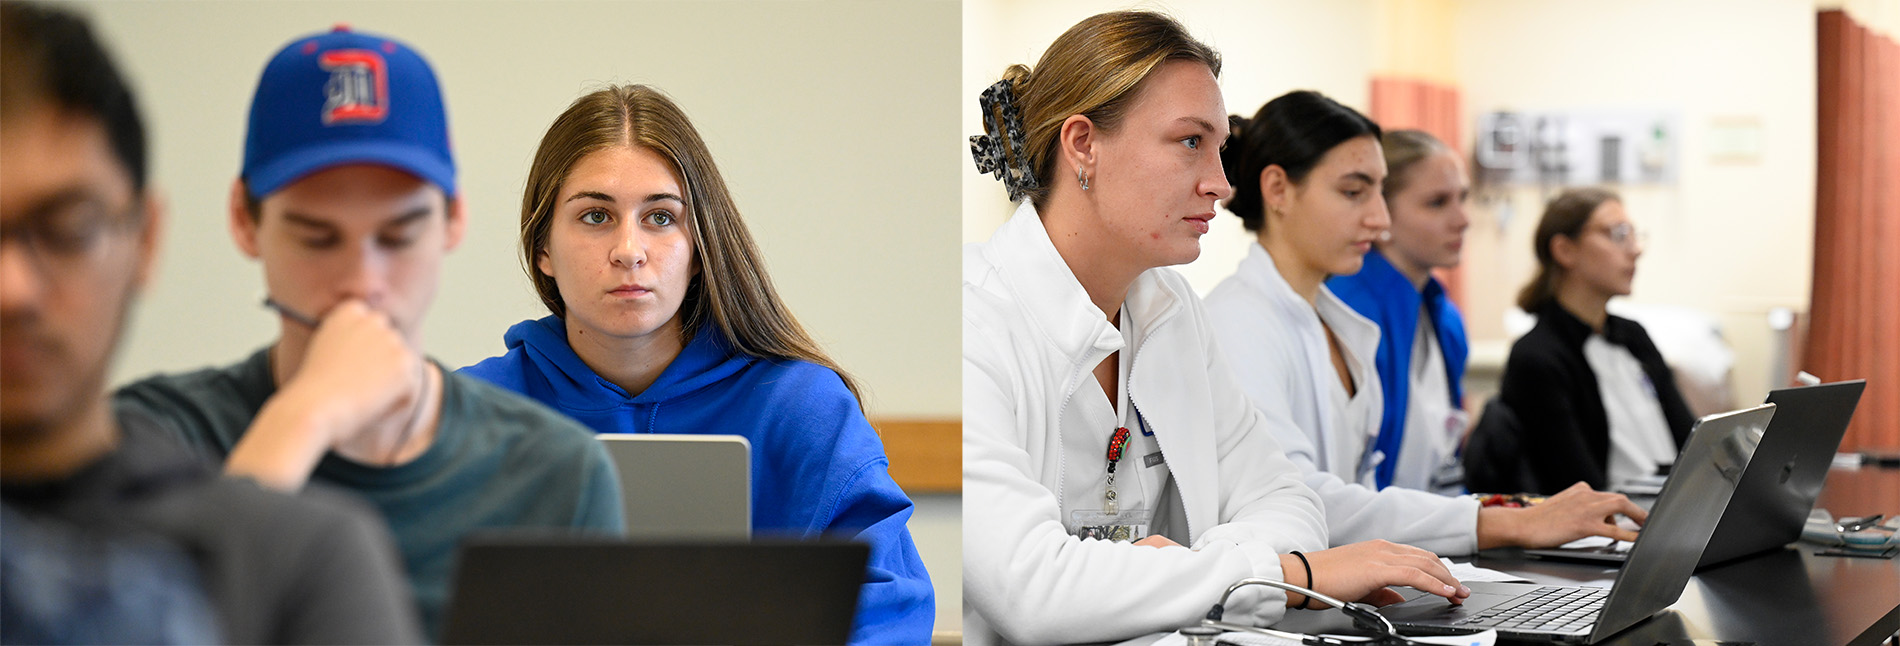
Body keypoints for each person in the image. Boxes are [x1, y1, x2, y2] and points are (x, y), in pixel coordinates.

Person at [963, 14, 1474, 646]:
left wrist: (1185, 571)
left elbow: (1287, 499)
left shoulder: (1169, 306)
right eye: (1189, 143)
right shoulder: (974, 319)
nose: (1221, 184)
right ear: (1083, 144)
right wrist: (1283, 574)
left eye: (1220, 148)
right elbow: (1031, 591)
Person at [111, 25, 624, 638]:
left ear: (453, 218)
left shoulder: (557, 476)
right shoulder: (151, 438)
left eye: (398, 236)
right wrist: (305, 416)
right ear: (245, 223)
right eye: (317, 237)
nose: (362, 281)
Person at [1, 4, 419, 642]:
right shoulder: (175, 418)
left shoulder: (306, 555)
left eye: (68, 229)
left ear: (146, 239)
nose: (14, 290)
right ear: (245, 221)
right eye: (316, 234)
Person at [459, 85, 932, 645]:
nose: (629, 249)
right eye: (594, 216)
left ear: (699, 244)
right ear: (543, 248)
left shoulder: (804, 410)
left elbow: (888, 613)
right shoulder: (471, 415)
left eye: (660, 217)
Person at [1205, 91, 1647, 556]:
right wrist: (1501, 523)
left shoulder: (1336, 322)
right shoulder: (1238, 323)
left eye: (1379, 191)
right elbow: (1299, 501)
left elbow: (1365, 492)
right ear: (1278, 190)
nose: (1379, 218)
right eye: (1354, 192)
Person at [1498, 187, 1694, 494]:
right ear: (1565, 250)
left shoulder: (1634, 336)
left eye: (1633, 234)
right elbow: (1578, 488)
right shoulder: (1537, 356)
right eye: (1618, 234)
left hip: (1677, 507)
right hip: (1612, 527)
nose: (1635, 249)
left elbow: (1691, 442)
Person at [1326, 129, 1470, 495]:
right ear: (1381, 213)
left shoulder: (1444, 315)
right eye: (1438, 203)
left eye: (1463, 198)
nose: (1462, 219)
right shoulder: (1348, 308)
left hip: (1434, 521)